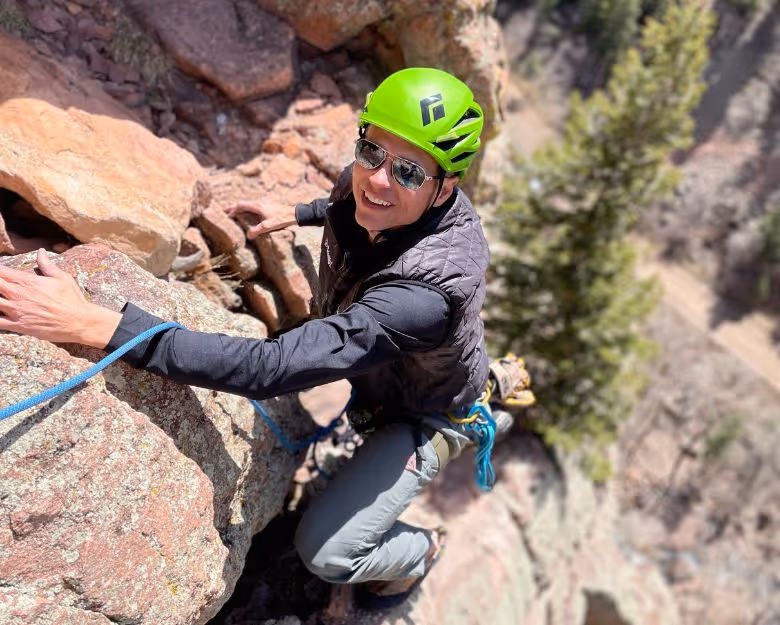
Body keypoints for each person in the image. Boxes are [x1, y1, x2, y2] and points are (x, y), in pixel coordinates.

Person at [0, 67, 532, 610]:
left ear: (445, 187)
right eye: (371, 151)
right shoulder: (380, 188)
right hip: (389, 370)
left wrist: (97, 325)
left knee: (327, 551)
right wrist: (299, 213)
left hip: (426, 412)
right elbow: (357, 207)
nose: (376, 179)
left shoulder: (423, 298)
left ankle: (421, 551)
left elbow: (269, 368)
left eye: (408, 171)